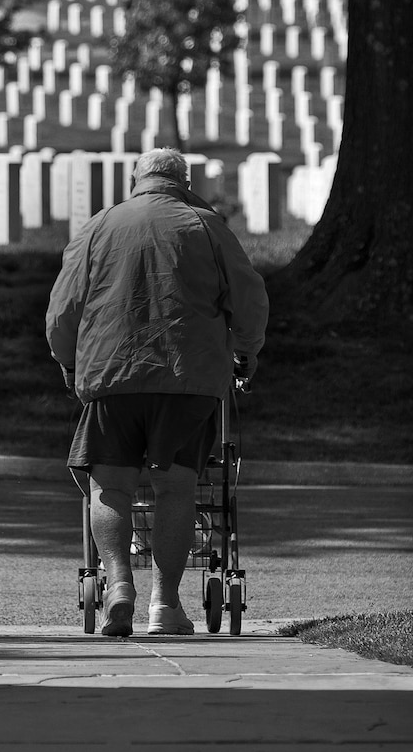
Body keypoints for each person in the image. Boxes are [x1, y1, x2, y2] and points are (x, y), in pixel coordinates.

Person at [45, 148, 269, 636]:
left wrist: (68, 360)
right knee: (176, 488)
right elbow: (249, 296)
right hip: (187, 376)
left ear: (136, 181)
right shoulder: (206, 226)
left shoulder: (99, 226)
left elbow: (63, 307)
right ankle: (164, 605)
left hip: (112, 373)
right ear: (184, 182)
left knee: (111, 486)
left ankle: (119, 584)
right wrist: (246, 352)